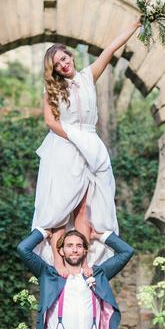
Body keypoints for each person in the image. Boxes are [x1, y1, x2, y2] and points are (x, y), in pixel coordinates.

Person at [32, 19, 141, 276]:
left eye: (64, 58)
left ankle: (82, 263)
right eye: (57, 64)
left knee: (85, 207)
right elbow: (50, 121)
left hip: (91, 149)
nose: (63, 64)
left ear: (70, 56)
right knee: (61, 207)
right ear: (54, 70)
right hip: (64, 148)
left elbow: (111, 48)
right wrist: (74, 137)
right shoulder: (52, 89)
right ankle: (59, 265)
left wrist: (136, 24)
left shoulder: (88, 77)